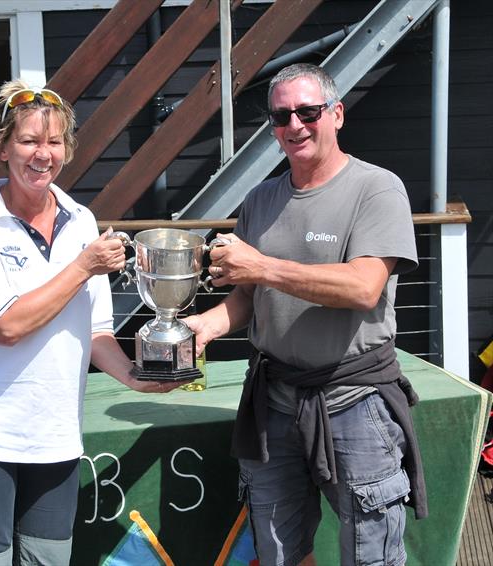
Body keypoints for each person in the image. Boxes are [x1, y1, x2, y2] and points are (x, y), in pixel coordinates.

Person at [0, 79, 181, 566]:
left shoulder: (81, 220)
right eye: (29, 141)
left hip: (54, 437)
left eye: (54, 142)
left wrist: (133, 378)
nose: (43, 154)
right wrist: (82, 265)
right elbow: (6, 327)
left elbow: (97, 329)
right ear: (2, 148)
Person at [185, 63, 427, 566]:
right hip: (274, 404)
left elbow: (363, 288)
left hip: (355, 402)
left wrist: (262, 265)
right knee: (278, 553)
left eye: (308, 111)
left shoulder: (377, 189)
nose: (294, 125)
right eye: (281, 116)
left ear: (336, 114)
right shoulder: (262, 199)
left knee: (371, 556)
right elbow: (249, 298)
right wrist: (204, 326)